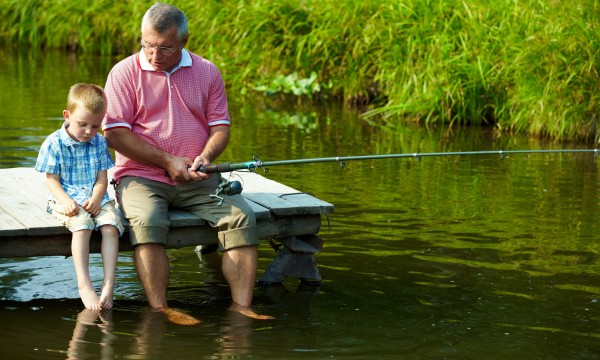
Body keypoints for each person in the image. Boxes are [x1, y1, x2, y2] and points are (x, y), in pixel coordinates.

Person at [102, 2, 271, 324]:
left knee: (241, 217)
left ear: (184, 41)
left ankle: (241, 307)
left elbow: (220, 126)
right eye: (147, 45)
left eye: (164, 48)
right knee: (148, 221)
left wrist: (206, 157)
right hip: (140, 175)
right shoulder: (124, 72)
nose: (154, 55)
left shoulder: (207, 71)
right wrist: (166, 161)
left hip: (199, 176)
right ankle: (161, 308)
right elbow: (114, 133)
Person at [35, 83, 124, 311]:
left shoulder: (99, 142)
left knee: (111, 227)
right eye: (82, 124)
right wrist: (65, 201)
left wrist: (96, 198)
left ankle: (108, 284)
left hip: (97, 197)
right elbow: (52, 180)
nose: (88, 131)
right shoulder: (54, 143)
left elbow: (103, 179)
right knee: (83, 225)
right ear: (67, 115)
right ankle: (84, 285)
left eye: (95, 126)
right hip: (66, 198)